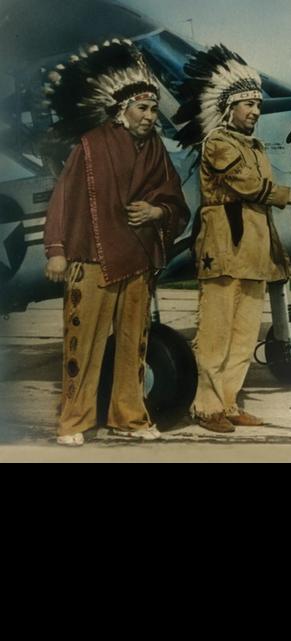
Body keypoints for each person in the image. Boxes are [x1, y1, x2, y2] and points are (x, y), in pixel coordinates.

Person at [42, 39, 190, 446]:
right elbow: (62, 199)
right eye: (142, 108)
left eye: (154, 108)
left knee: (133, 347)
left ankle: (129, 416)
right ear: (121, 112)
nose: (149, 115)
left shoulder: (157, 149)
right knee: (82, 347)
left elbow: (174, 199)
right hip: (91, 258)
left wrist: (158, 213)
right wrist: (56, 251)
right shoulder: (90, 146)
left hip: (139, 258)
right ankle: (73, 421)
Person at [172, 44, 291, 434]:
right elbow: (249, 186)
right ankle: (205, 407)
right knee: (216, 334)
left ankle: (229, 402)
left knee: (243, 334)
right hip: (223, 252)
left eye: (257, 105)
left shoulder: (252, 144)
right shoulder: (218, 142)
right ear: (229, 108)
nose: (254, 111)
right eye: (247, 104)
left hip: (253, 254)